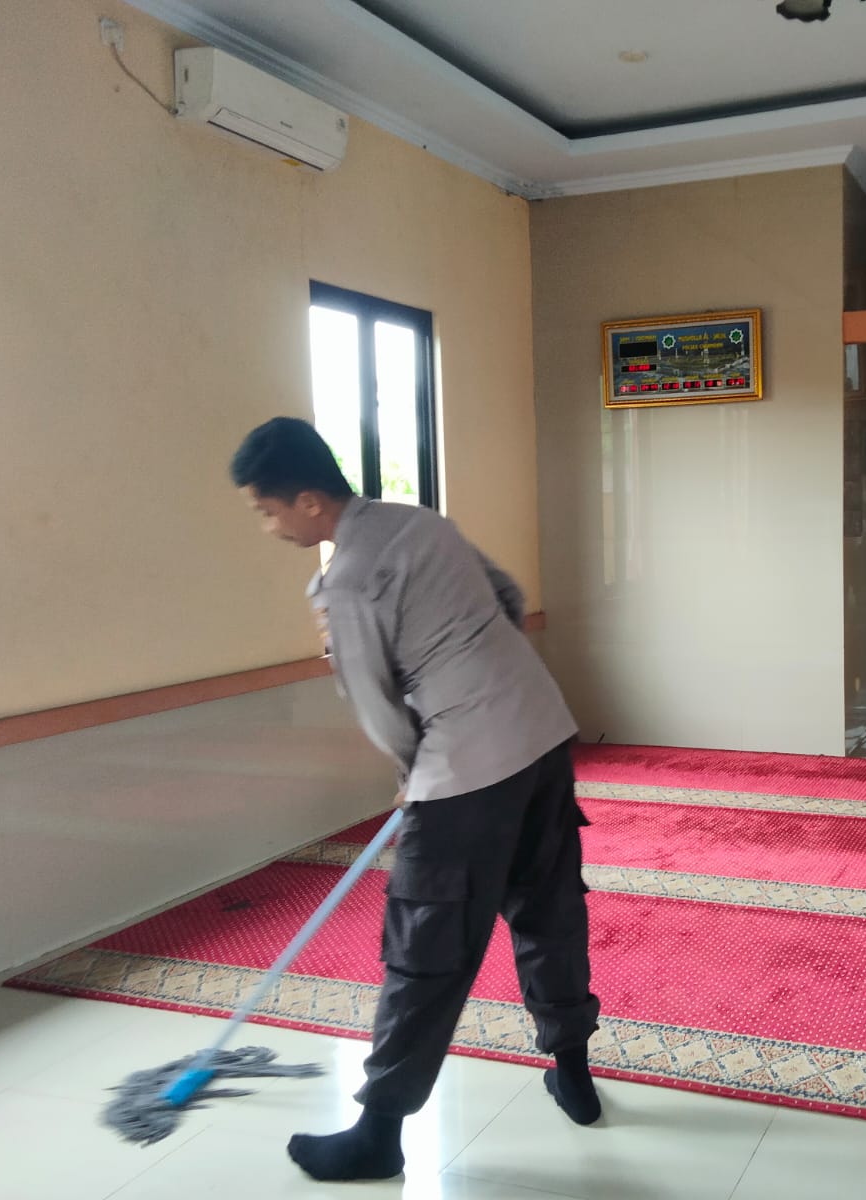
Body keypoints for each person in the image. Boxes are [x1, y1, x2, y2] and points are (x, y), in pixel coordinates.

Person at [229, 416, 600, 1183]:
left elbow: (374, 704)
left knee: (425, 948)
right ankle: (573, 1072)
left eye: (266, 511)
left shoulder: (349, 580)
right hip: (539, 729)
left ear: (306, 501)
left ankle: (378, 1134)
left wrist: (413, 772)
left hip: (466, 767)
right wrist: (472, 662)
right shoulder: (419, 521)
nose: (269, 526)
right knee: (549, 907)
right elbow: (506, 594)